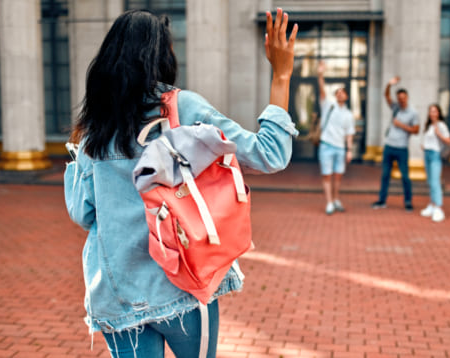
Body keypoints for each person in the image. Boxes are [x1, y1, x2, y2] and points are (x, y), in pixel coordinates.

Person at [64, 9, 298, 358]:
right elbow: (269, 154)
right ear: (161, 57)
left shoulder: (95, 128)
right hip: (185, 283)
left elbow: (83, 214)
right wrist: (281, 75)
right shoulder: (182, 109)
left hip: (119, 294)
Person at [371, 76, 420, 211]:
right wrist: (389, 84)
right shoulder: (395, 108)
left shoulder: (413, 113)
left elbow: (416, 130)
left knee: (405, 176)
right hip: (389, 147)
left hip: (402, 149)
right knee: (385, 175)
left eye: (403, 98)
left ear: (407, 98)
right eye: (399, 98)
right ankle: (382, 200)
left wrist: (401, 125)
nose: (401, 101)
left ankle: (408, 201)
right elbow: (386, 96)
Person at [316, 61, 355, 215]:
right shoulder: (328, 106)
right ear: (335, 95)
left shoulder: (349, 114)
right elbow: (322, 90)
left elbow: (349, 134)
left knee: (338, 176)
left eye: (342, 92)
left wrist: (349, 150)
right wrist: (320, 74)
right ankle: (329, 202)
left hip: (340, 147)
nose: (340, 94)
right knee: (327, 175)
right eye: (337, 92)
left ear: (346, 96)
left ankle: (336, 198)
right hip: (326, 145)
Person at [420, 104, 450, 222]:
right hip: (427, 154)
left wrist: (439, 134)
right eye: (431, 111)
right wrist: (424, 145)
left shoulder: (441, 125)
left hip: (435, 155)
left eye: (435, 111)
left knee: (435, 181)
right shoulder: (429, 125)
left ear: (438, 113)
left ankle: (438, 207)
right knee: (430, 181)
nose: (432, 113)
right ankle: (432, 204)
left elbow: (448, 140)